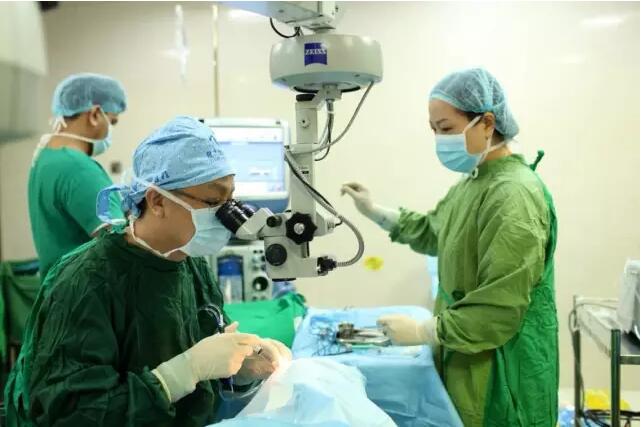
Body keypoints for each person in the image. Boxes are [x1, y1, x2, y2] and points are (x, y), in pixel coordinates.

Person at [5, 116, 292, 426]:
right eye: (213, 200)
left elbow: (204, 376)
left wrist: (239, 369)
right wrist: (179, 374)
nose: (225, 213)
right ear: (157, 201)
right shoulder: (85, 283)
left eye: (230, 199)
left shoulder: (192, 265)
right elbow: (71, 413)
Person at [342, 68, 558, 427]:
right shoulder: (474, 182)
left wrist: (425, 331)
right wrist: (375, 211)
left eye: (446, 129)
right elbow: (434, 232)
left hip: (501, 370)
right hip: (467, 351)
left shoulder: (513, 195)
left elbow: (500, 307)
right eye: (434, 130)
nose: (440, 140)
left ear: (487, 123)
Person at [29, 73, 127, 280]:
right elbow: (122, 248)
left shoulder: (45, 158)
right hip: (87, 294)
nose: (111, 130)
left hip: (59, 290)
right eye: (112, 121)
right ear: (94, 115)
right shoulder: (78, 168)